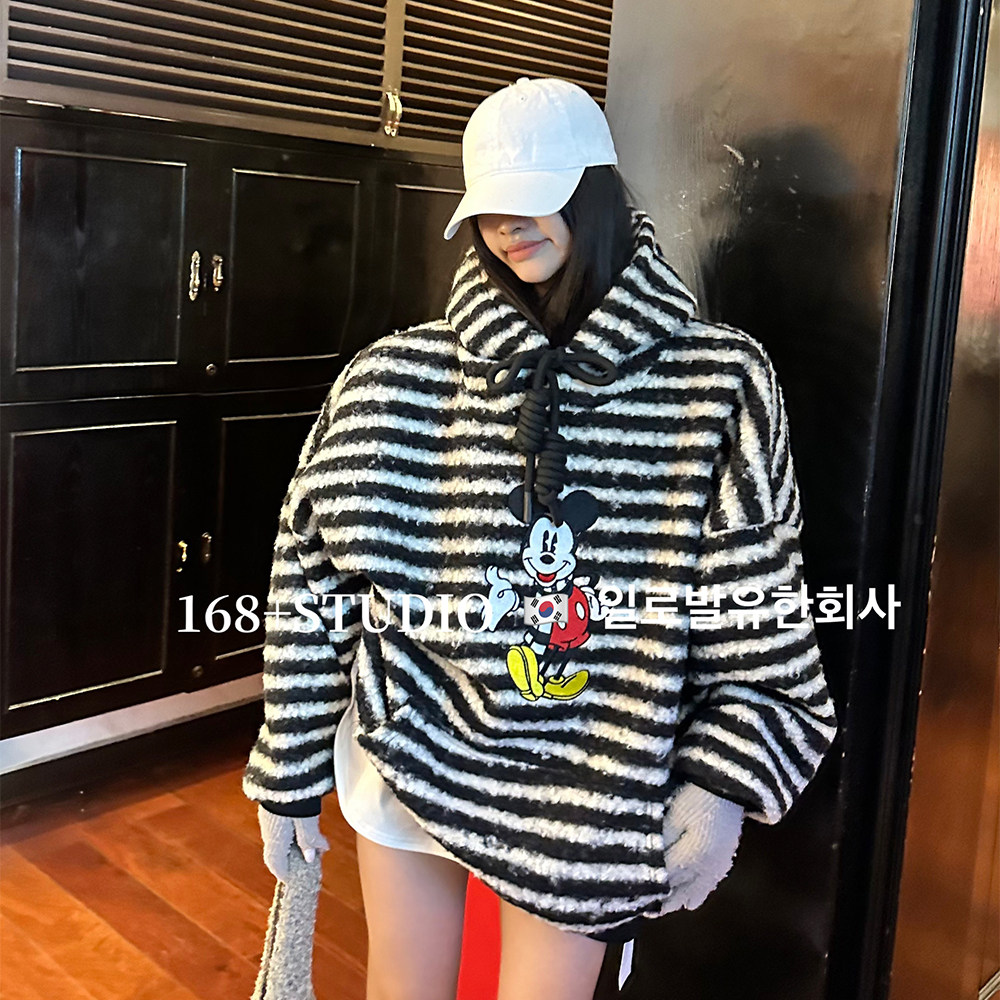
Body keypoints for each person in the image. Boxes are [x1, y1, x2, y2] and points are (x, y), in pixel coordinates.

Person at [244, 76, 839, 1000]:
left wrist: (724, 775)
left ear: (596, 192)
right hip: (410, 738)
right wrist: (287, 761)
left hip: (595, 777)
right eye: (489, 206)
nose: (509, 226)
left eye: (538, 196)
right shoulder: (395, 377)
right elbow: (311, 577)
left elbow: (753, 597)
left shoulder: (716, 381)